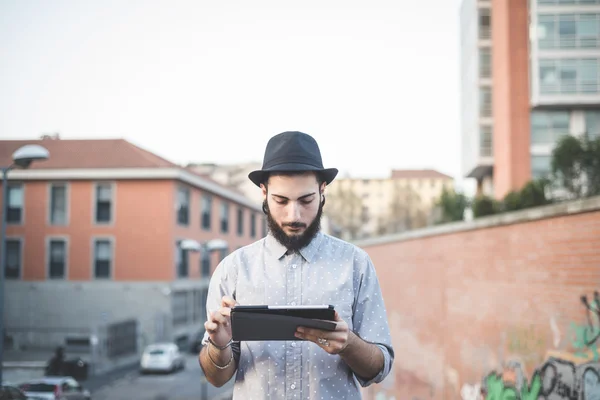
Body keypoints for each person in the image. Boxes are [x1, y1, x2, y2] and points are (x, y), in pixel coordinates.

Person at [199, 131, 394, 399]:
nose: (294, 215)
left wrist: (348, 344)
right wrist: (218, 346)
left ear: (322, 191)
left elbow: (379, 369)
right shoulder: (232, 269)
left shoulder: (355, 264)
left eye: (306, 200)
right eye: (281, 201)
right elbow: (216, 378)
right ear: (264, 193)